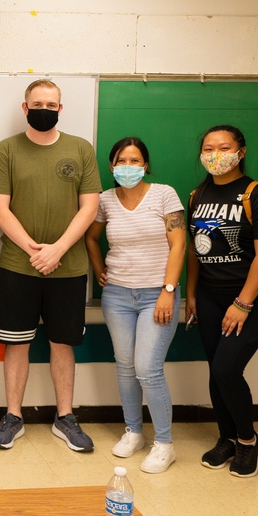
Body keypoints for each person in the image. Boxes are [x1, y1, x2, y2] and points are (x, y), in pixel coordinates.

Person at [0, 79, 101, 452]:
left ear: (61, 109)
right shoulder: (6, 150)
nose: (45, 110)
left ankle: (65, 417)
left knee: (62, 342)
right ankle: (14, 416)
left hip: (68, 268)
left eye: (52, 105)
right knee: (16, 344)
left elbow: (89, 207)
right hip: (18, 265)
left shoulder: (81, 149)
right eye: (38, 104)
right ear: (25, 107)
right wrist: (35, 250)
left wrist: (58, 250)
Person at [83, 137, 185, 473]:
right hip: (117, 296)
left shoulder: (164, 194)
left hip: (157, 294)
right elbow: (91, 238)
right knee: (125, 366)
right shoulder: (105, 200)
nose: (129, 166)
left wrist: (168, 290)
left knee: (148, 369)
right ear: (112, 166)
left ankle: (164, 443)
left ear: (146, 165)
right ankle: (133, 432)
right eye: (122, 161)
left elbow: (179, 243)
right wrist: (100, 270)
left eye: (136, 160)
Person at [186, 125, 258, 478]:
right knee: (216, 369)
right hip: (209, 297)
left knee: (227, 368)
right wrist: (191, 294)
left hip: (251, 298)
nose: (215, 154)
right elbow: (195, 252)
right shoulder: (197, 195)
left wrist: (242, 304)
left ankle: (246, 439)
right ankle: (225, 437)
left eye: (224, 147)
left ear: (241, 152)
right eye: (208, 148)